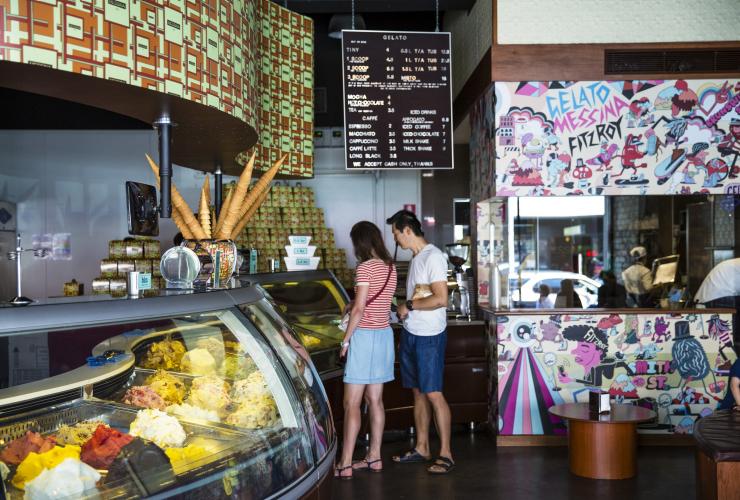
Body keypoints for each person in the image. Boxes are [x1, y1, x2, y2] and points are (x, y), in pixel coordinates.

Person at [387, 210, 455, 475]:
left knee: (433, 392)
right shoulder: (416, 258)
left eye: (395, 234)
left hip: (429, 337)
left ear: (406, 230)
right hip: (412, 333)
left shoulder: (434, 257)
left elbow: (441, 299)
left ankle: (446, 453)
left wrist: (409, 305)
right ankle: (422, 447)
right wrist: (404, 310)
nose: (395, 240)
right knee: (417, 391)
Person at [334, 221, 397, 480]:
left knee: (351, 404)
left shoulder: (364, 268)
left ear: (359, 242)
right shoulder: (390, 267)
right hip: (383, 337)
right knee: (376, 401)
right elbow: (377, 302)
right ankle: (375, 457)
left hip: (363, 339)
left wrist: (345, 341)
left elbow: (359, 310)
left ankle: (346, 463)